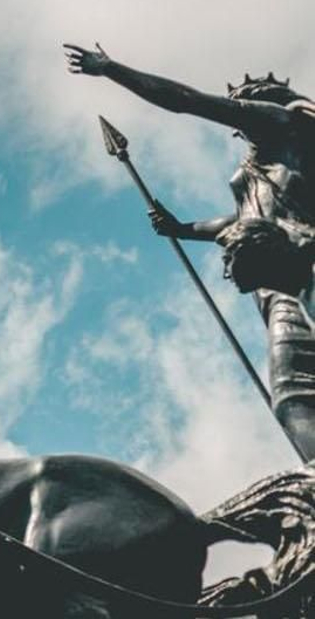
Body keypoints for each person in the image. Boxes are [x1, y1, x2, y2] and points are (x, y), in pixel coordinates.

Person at [65, 42, 315, 459]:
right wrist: (182, 228)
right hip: (276, 294)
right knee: (292, 398)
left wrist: (111, 68)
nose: (236, 114)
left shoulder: (285, 126)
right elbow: (239, 220)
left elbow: (186, 102)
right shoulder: (257, 170)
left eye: (241, 105)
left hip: (306, 265)